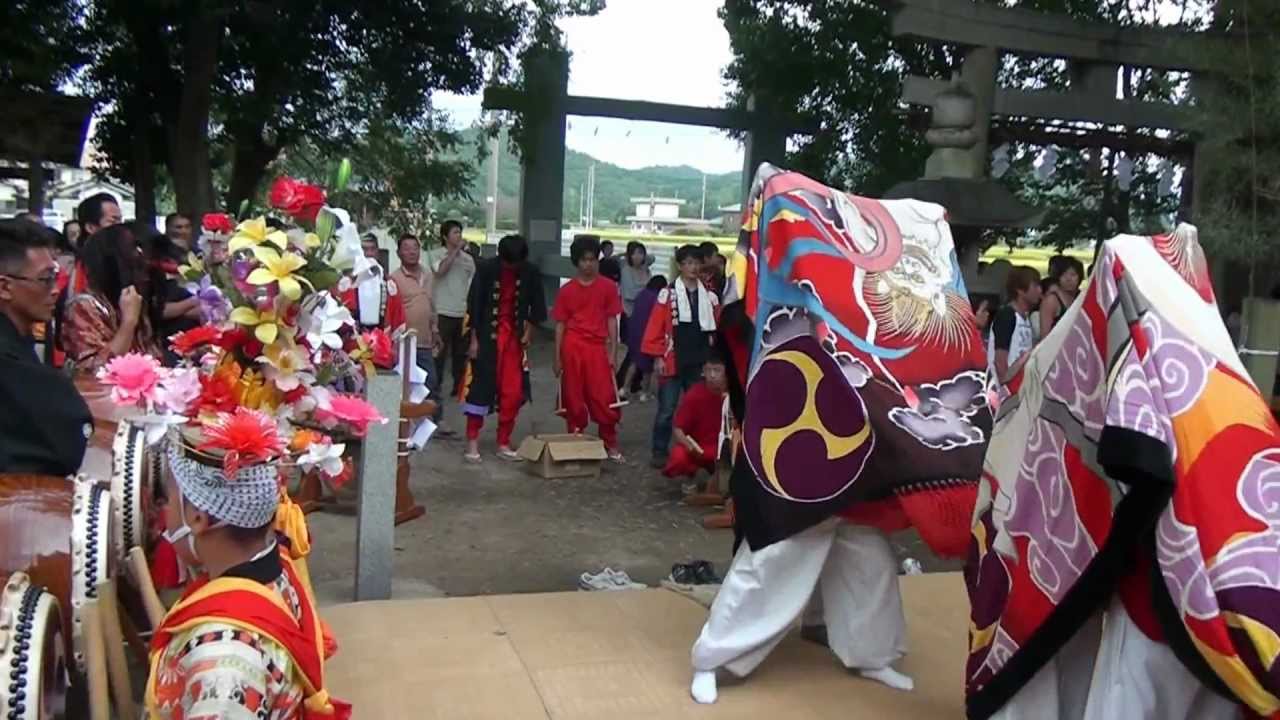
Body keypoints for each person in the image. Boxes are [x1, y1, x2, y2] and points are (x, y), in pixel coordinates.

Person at [146, 421, 349, 720]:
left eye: (168, 500)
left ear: (198, 518)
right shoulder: (277, 567)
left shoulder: (222, 660)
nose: (161, 512)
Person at [0, 218, 92, 475]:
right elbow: (72, 442)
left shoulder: (17, 342)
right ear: (5, 287)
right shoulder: (10, 363)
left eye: (56, 277)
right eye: (46, 279)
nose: (55, 290)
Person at [459, 234, 547, 462]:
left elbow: (537, 307)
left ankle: (503, 441)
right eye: (509, 262)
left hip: (514, 340)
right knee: (479, 388)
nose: (512, 266)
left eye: (515, 263)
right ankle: (472, 441)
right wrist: (474, 340)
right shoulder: (487, 269)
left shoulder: (530, 272)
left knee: (513, 391)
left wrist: (529, 332)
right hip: (487, 338)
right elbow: (474, 305)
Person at [643, 244, 719, 469]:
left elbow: (716, 329)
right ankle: (659, 449)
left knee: (695, 407)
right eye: (688, 263)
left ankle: (695, 447)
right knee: (667, 409)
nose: (693, 268)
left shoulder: (710, 296)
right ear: (680, 266)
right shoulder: (668, 294)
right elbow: (656, 326)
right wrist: (657, 356)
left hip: (699, 359)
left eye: (696, 263)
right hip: (674, 358)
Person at [552, 234, 624, 461]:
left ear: (598, 260)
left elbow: (612, 320)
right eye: (583, 260)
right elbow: (560, 326)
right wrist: (557, 358)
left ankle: (610, 443)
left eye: (592, 259)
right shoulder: (567, 290)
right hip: (572, 346)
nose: (588, 264)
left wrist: (613, 352)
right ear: (576, 261)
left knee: (604, 397)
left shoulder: (608, 287)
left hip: (597, 348)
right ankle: (576, 441)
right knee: (573, 396)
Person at [61, 224, 162, 372]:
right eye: (132, 249)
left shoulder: (133, 300)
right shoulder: (83, 306)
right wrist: (128, 323)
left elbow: (152, 357)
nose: (141, 257)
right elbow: (96, 370)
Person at [427, 220, 476, 436]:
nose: (459, 235)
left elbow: (472, 285)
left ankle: (458, 398)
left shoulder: (468, 260)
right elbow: (439, 272)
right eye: (455, 232)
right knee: (438, 360)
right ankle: (434, 407)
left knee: (461, 359)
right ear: (445, 236)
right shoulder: (435, 254)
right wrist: (454, 253)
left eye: (460, 232)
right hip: (442, 313)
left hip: (461, 314)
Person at [389, 232, 440, 403]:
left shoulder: (428, 275)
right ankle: (406, 424)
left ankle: (433, 421)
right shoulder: (394, 278)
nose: (412, 252)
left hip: (425, 340)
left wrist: (435, 329)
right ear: (399, 253)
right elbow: (390, 313)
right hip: (405, 343)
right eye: (407, 249)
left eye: (415, 248)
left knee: (431, 382)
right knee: (407, 386)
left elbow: (431, 305)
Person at [663, 356, 727, 484]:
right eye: (708, 370)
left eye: (717, 370)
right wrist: (689, 446)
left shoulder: (737, 394)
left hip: (724, 447)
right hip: (699, 448)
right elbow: (678, 428)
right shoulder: (695, 394)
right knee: (679, 456)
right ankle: (692, 474)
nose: (712, 375)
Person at [341, 234, 405, 333]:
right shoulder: (347, 284)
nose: (369, 253)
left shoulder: (389, 283)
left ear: (378, 252)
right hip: (354, 339)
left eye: (372, 249)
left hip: (381, 337)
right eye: (364, 249)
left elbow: (397, 313)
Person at [989, 265, 1041, 385]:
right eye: (1035, 286)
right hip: (1006, 389)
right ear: (1020, 290)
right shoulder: (1007, 315)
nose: (1039, 291)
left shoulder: (1026, 318)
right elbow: (1000, 359)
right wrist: (1005, 385)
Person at [621, 275, 666, 403]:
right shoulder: (656, 299)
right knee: (647, 367)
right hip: (647, 336)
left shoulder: (642, 294)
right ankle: (644, 393)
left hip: (634, 334)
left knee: (634, 362)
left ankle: (624, 388)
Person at [615, 241, 652, 396]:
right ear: (629, 255)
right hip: (631, 315)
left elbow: (653, 257)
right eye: (634, 253)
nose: (638, 256)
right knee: (634, 351)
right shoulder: (626, 271)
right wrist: (647, 292)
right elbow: (630, 294)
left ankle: (633, 383)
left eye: (641, 253)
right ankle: (622, 382)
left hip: (647, 315)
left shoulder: (646, 270)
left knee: (641, 350)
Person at [1037, 255, 1084, 339]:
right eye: (1064, 275)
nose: (1068, 279)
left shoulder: (1081, 298)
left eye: (1073, 275)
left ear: (1079, 277)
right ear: (1058, 277)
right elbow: (1044, 336)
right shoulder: (1051, 301)